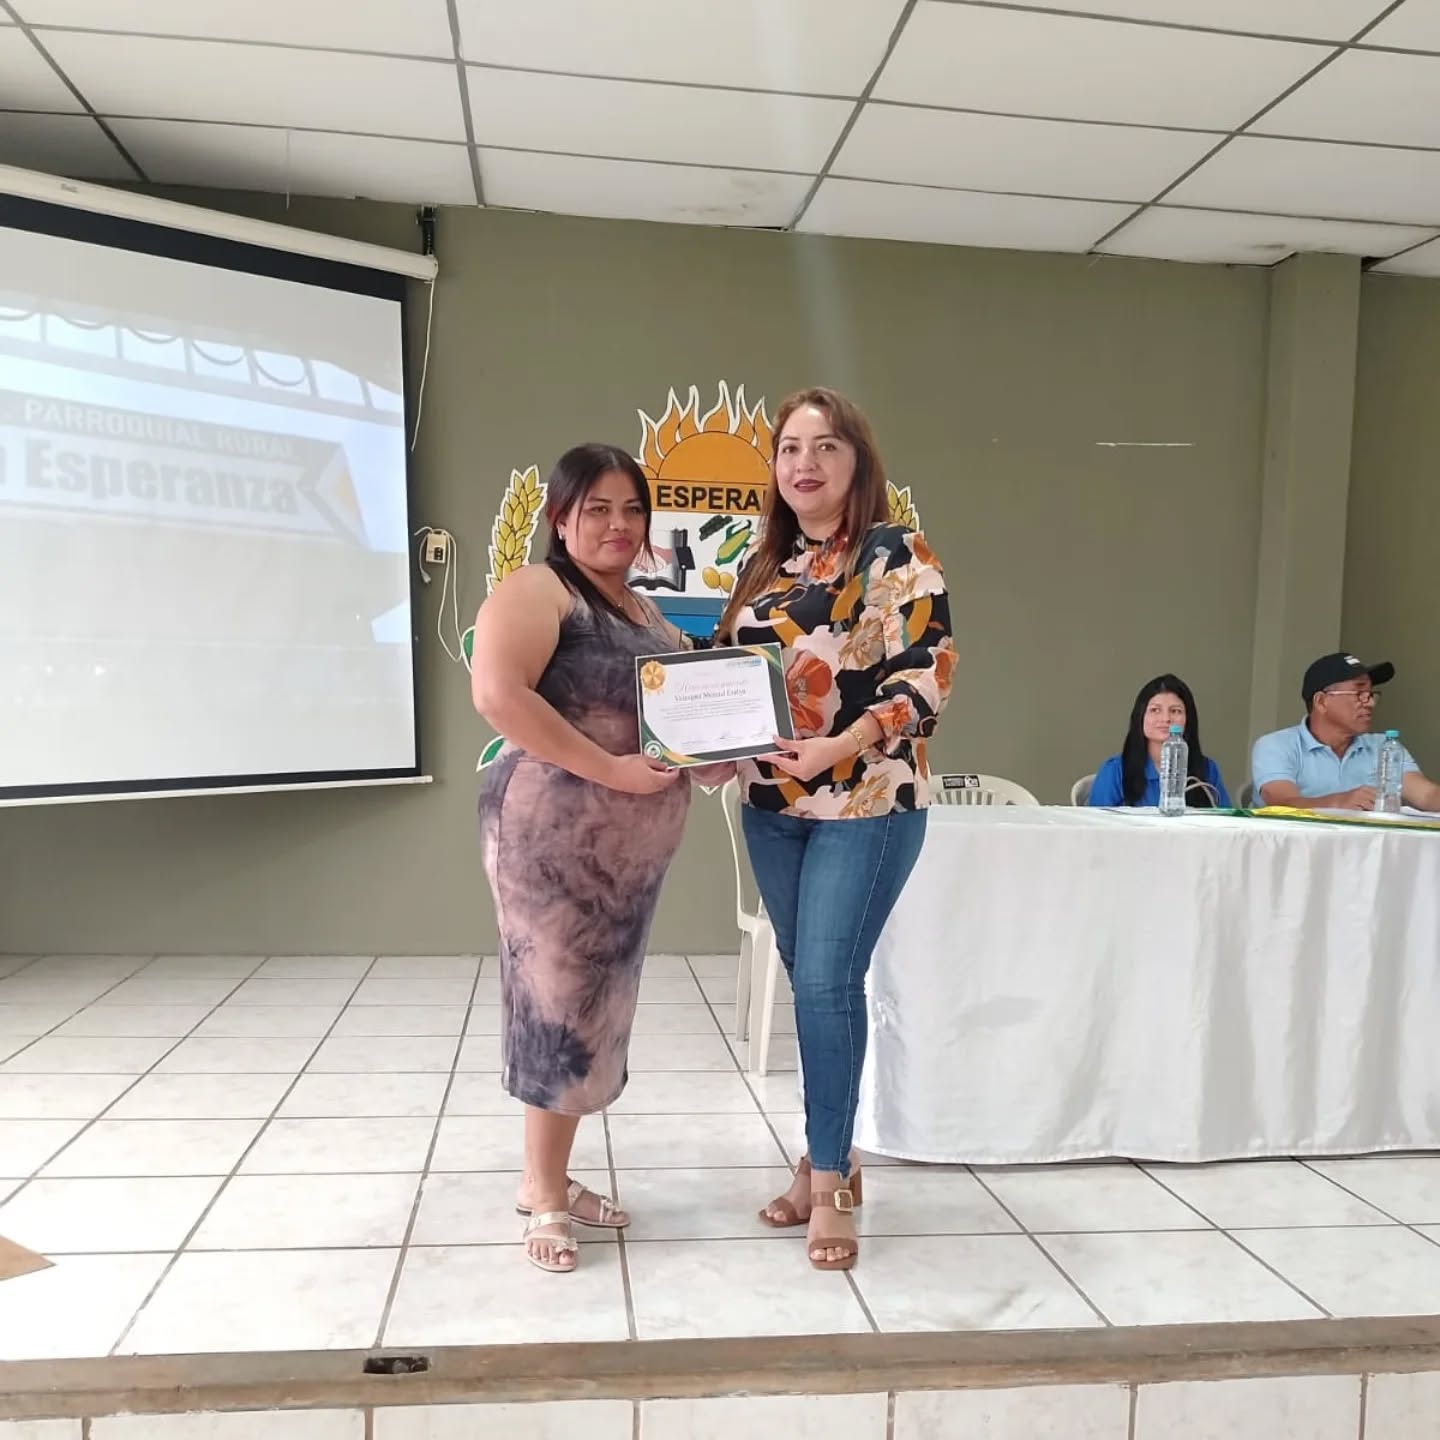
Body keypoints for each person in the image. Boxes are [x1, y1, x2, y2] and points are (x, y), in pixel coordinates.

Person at [470, 443, 731, 1273]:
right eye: (597, 509)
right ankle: (544, 1194)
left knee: (590, 1012)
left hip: (625, 861)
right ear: (560, 518)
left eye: (631, 509)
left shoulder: (648, 615)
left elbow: (678, 727)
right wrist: (612, 770)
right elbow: (498, 694)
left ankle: (545, 1175)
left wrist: (720, 755)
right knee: (554, 1007)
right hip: (551, 842)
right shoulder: (538, 590)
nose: (617, 525)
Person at [715, 387, 953, 1272]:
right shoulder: (762, 564)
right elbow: (726, 674)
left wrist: (839, 746)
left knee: (824, 982)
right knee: (812, 982)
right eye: (789, 448)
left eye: (824, 447)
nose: (804, 463)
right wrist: (702, 748)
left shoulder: (896, 552)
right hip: (773, 809)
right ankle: (827, 1154)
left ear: (857, 461)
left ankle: (832, 1188)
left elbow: (927, 674)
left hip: (866, 802)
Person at [1252, 652, 1440, 812]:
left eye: (1370, 694)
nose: (1370, 703)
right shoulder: (1276, 745)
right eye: (1359, 694)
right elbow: (1281, 803)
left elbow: (1427, 795)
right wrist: (1338, 803)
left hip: (1364, 843)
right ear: (1321, 702)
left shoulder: (1383, 747)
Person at [1088, 674, 1230, 808]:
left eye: (1175, 711)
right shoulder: (1115, 770)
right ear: (1140, 717)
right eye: (1155, 710)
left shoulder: (1207, 769)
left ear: (1188, 720)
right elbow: (1095, 823)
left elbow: (1227, 820)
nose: (1166, 719)